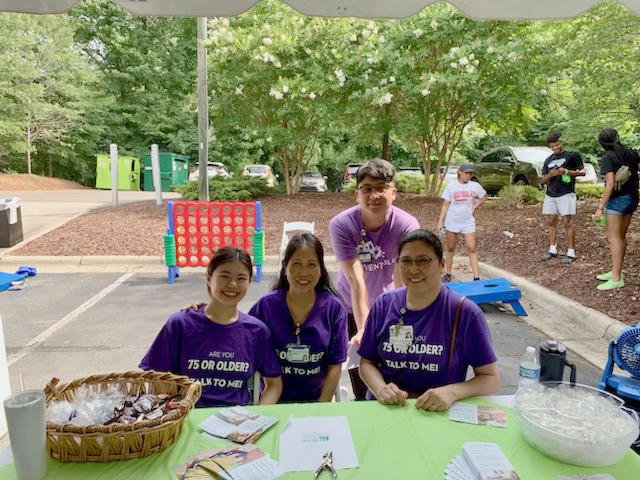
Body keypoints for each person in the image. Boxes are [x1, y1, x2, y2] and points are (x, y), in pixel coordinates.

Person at [358, 229, 500, 411]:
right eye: (406, 261)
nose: (413, 269)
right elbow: (367, 363)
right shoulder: (383, 304)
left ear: (441, 265)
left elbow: (490, 379)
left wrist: (453, 392)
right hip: (387, 409)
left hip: (436, 412)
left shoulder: (464, 312)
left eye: (423, 261)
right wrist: (380, 389)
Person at [139, 246, 282, 407]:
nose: (233, 284)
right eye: (225, 276)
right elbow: (155, 381)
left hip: (236, 423)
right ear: (209, 277)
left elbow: (274, 384)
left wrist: (258, 416)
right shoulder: (180, 324)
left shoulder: (257, 332)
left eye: (241, 278)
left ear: (249, 281)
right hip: (188, 420)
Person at [329, 158, 420, 399]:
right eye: (367, 189)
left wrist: (403, 318)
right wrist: (364, 329)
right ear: (357, 194)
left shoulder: (406, 224)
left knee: (394, 376)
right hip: (352, 308)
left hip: (391, 306)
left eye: (381, 188)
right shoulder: (342, 224)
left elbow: (403, 278)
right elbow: (355, 279)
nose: (374, 195)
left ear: (393, 193)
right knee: (362, 379)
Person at [249, 233, 348, 403]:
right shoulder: (266, 306)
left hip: (317, 401)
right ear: (285, 267)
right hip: (274, 401)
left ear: (320, 269)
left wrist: (320, 408)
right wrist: (203, 311)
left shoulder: (334, 308)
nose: (304, 272)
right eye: (296, 264)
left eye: (311, 265)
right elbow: (237, 330)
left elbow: (335, 366)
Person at [593, 128, 640, 290]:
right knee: (620, 236)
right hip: (632, 198)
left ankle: (616, 278)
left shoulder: (607, 158)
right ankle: (616, 270)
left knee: (613, 238)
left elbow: (610, 184)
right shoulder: (631, 154)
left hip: (617, 201)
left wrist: (600, 207)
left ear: (602, 144)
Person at [436, 163, 487, 282]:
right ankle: (448, 272)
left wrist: (475, 206)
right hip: (452, 220)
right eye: (466, 173)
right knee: (450, 247)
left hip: (467, 221)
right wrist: (440, 222)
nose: (468, 175)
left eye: (470, 173)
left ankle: (476, 276)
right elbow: (445, 205)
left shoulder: (475, 186)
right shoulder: (451, 186)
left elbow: (484, 196)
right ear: (460, 172)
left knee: (471, 247)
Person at [540, 132, 585, 264]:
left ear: (562, 142)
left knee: (567, 222)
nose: (555, 148)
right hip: (551, 194)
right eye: (552, 146)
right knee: (551, 221)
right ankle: (552, 249)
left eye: (557, 144)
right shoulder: (548, 160)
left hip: (566, 193)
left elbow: (582, 172)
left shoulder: (572, 156)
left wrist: (565, 172)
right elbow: (543, 180)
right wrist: (551, 175)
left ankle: (571, 252)